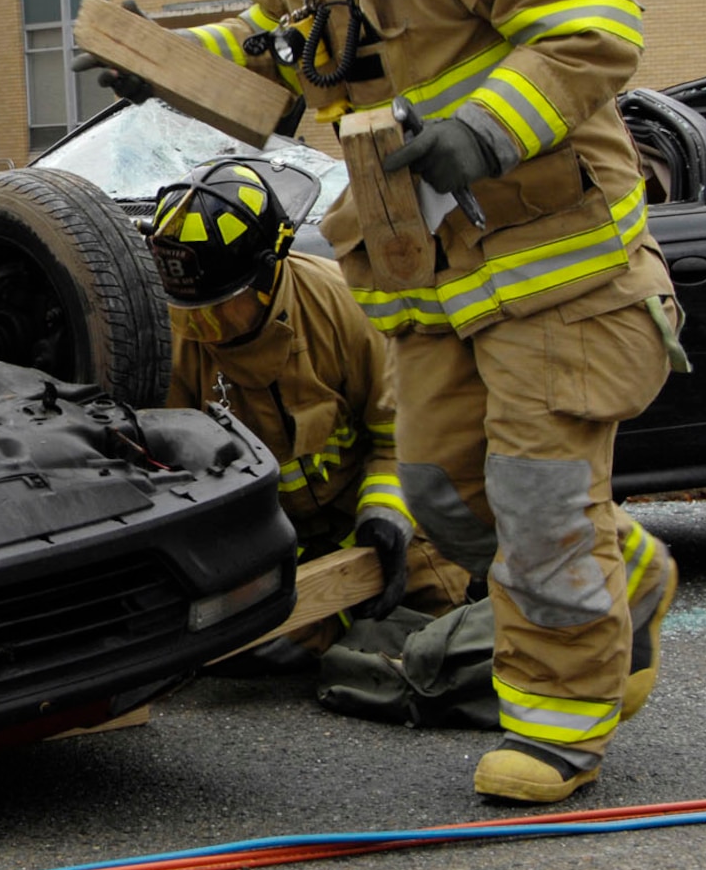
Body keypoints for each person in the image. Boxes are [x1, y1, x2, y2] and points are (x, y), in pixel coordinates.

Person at [88, 0, 682, 804]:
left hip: (552, 271)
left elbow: (599, 25)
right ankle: (627, 572)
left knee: (539, 502)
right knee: (448, 499)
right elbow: (271, 46)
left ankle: (558, 728)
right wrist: (163, 64)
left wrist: (480, 130)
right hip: (428, 283)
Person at [146, 157, 470, 663]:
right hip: (262, 548)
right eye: (192, 314)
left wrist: (385, 515)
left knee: (443, 611)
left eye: (218, 310)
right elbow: (168, 487)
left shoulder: (345, 307)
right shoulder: (176, 341)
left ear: (269, 272)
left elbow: (403, 436)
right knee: (239, 644)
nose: (205, 329)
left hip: (364, 527)